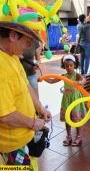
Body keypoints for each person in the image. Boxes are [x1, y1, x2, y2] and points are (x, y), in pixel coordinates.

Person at [0, 21, 52, 170]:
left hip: (24, 137)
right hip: (13, 145)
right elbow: (5, 115)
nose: (30, 47)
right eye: (28, 42)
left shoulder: (13, 57)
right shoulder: (2, 69)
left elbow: (26, 85)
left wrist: (40, 108)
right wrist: (33, 123)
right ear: (13, 36)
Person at [44, 54, 87, 146]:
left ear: (74, 65)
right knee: (68, 118)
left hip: (75, 99)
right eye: (66, 66)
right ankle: (68, 135)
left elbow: (84, 80)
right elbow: (52, 81)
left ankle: (78, 136)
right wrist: (42, 78)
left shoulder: (77, 75)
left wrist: (79, 82)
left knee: (77, 118)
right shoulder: (64, 75)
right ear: (64, 66)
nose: (69, 68)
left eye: (71, 65)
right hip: (67, 99)